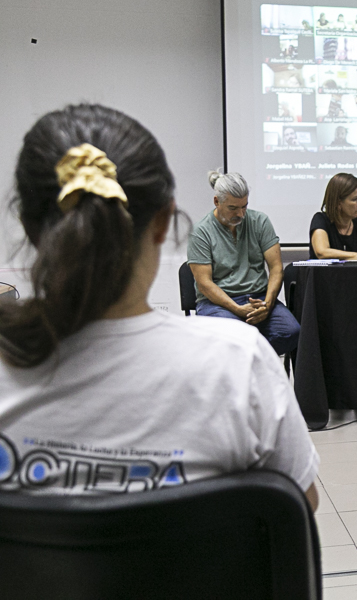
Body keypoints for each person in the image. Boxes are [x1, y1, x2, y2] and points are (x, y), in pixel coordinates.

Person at [0, 104, 318, 506]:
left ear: (27, 224)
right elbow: (298, 505)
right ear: (165, 221)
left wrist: (265, 304)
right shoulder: (240, 362)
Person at [187, 171, 300, 357]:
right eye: (233, 208)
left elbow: (276, 268)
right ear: (216, 201)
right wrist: (237, 309)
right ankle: (249, 368)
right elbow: (204, 284)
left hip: (258, 298)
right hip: (218, 303)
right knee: (235, 338)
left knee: (290, 332)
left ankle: (248, 366)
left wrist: (267, 304)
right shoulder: (201, 232)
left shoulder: (260, 221)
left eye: (244, 207)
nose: (240, 214)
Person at [309, 173, 357, 260]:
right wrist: (356, 255)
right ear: (338, 202)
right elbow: (322, 252)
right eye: (355, 199)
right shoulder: (321, 220)